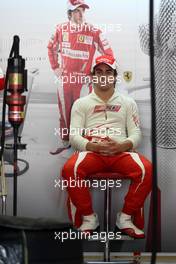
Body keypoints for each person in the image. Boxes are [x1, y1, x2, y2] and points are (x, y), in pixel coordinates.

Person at [62, 54, 152, 239]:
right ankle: (89, 219)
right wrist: (92, 146)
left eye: (108, 72)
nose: (103, 76)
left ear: (114, 76)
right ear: (93, 76)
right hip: (92, 151)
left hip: (121, 150)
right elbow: (74, 136)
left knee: (147, 170)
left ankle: (125, 218)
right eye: (99, 72)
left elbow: (136, 134)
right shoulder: (81, 103)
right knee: (70, 169)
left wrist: (123, 145)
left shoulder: (128, 102)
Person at [47, 0, 114, 154]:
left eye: (83, 10)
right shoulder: (60, 29)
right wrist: (55, 67)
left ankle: (84, 146)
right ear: (70, 13)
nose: (81, 13)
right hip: (65, 80)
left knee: (84, 113)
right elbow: (50, 47)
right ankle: (66, 141)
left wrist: (96, 72)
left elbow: (109, 54)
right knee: (65, 112)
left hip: (83, 81)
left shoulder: (93, 31)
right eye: (77, 10)